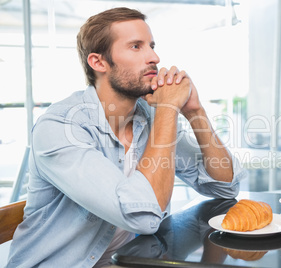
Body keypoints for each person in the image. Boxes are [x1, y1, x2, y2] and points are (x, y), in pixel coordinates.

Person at [6, 7, 246, 268]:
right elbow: (143, 218)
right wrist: (167, 109)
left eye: (151, 46)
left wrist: (194, 112)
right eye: (136, 46)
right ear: (98, 63)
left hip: (129, 260)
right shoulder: (61, 127)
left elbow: (224, 187)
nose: (154, 57)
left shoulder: (150, 118)